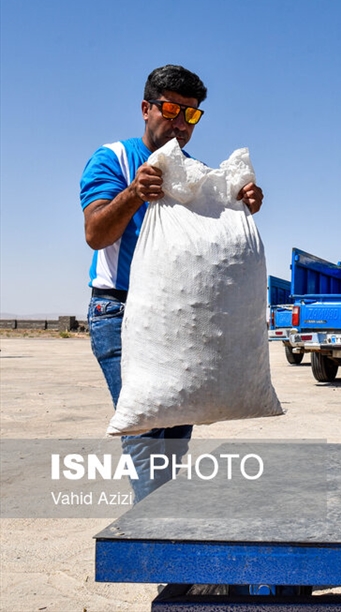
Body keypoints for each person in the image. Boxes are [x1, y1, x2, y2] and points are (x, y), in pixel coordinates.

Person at [80, 64, 264, 501]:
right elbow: (95, 234)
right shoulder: (114, 159)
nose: (181, 122)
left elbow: (212, 243)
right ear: (146, 109)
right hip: (121, 312)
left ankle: (169, 543)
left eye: (192, 115)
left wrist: (242, 203)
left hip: (182, 319)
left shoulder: (195, 172)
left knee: (177, 428)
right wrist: (131, 193)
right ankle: (163, 548)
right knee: (146, 432)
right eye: (171, 109)